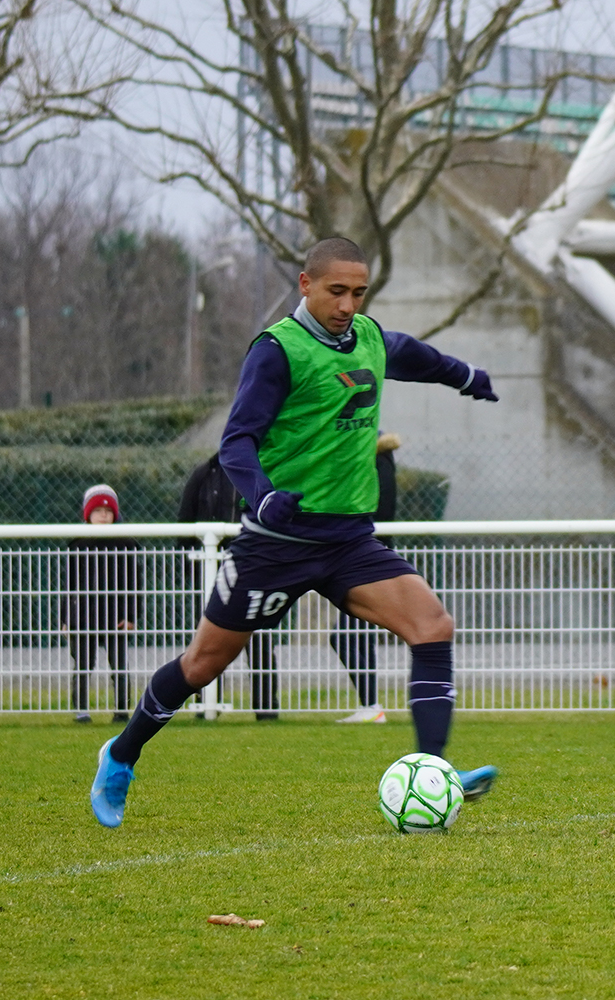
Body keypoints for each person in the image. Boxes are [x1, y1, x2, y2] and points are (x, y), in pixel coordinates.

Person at [89, 236, 499, 828]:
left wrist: (465, 376)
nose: (348, 304)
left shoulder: (368, 339)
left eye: (358, 293)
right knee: (203, 664)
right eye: (337, 291)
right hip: (275, 546)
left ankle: (433, 771)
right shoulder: (277, 351)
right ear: (306, 284)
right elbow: (235, 443)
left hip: (350, 542)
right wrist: (266, 495)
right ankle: (121, 756)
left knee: (432, 625)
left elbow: (412, 356)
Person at [176, 453, 280, 721]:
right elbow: (185, 524)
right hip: (211, 572)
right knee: (210, 642)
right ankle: (207, 704)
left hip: (254, 568)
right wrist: (191, 571)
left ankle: (266, 708)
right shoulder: (204, 474)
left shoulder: (266, 470)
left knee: (260, 639)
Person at [332, 431, 400, 724]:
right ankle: (371, 705)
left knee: (345, 635)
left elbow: (378, 512)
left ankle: (372, 706)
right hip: (367, 556)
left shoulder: (373, 463)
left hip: (366, 559)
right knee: (353, 634)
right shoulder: (375, 461)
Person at [62, 485, 141, 725]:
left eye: (108, 511)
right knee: (83, 665)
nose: (103, 515)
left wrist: (131, 617)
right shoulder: (77, 545)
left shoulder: (127, 545)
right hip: (83, 617)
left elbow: (135, 586)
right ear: (87, 514)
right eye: (97, 511)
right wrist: (66, 618)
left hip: (115, 617)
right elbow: (68, 586)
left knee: (119, 666)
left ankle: (121, 710)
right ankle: (81, 710)